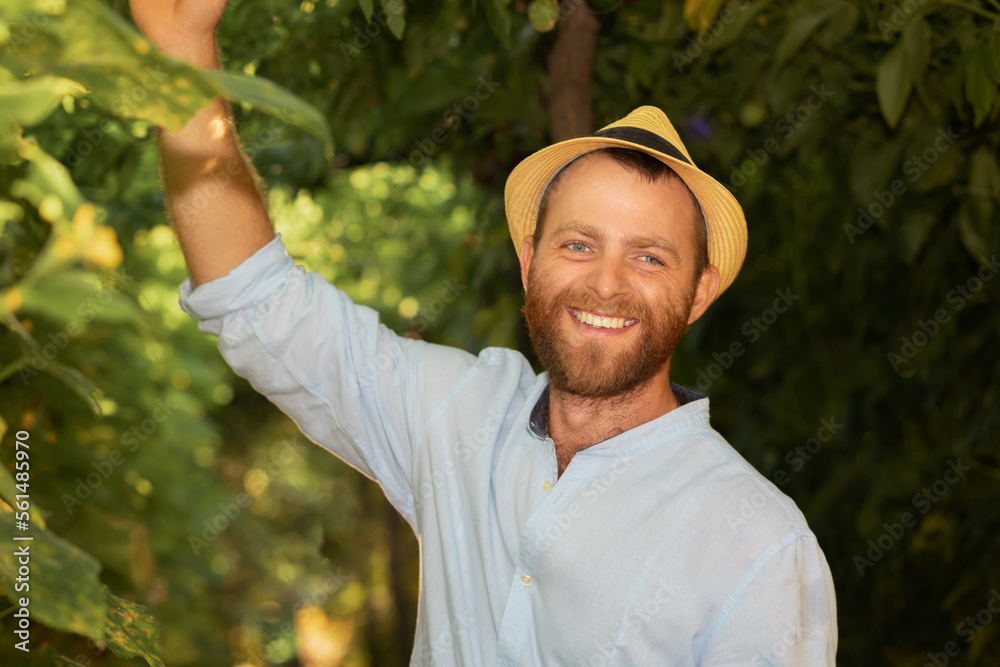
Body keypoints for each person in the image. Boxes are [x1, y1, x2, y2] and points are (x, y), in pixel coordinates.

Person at [130, 1, 838, 664]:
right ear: (530, 260)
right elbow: (257, 301)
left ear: (698, 293)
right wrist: (183, 52)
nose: (607, 284)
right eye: (578, 245)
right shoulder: (459, 414)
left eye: (649, 257)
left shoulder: (760, 545)